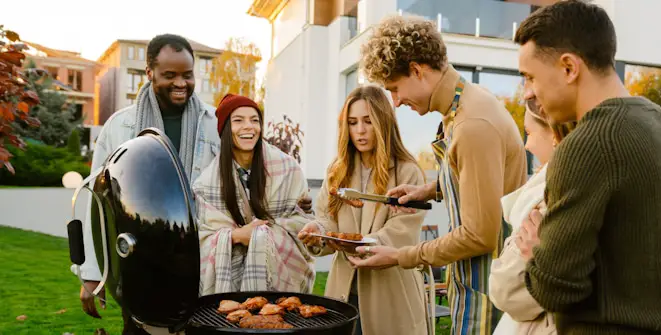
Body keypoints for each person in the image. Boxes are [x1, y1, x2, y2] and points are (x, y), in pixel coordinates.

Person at [75, 34, 311, 334]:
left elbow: (259, 166)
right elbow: (97, 206)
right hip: (139, 258)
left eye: (187, 75)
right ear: (149, 73)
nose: (180, 83)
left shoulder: (217, 124)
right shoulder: (119, 127)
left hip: (199, 260)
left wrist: (296, 199)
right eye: (169, 75)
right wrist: (94, 274)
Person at [513, 1, 661, 334]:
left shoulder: (587, 144)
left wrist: (536, 252)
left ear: (569, 68)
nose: (527, 92)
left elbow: (555, 288)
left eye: (530, 77)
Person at [347, 15, 528, 335]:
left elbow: (479, 235)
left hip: (488, 292)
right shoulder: (465, 106)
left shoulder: (472, 124)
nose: (396, 102)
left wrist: (401, 256)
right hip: (474, 282)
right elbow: (482, 179)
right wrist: (430, 190)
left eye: (395, 89)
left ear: (417, 70)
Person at [297, 85, 428, 335]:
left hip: (390, 293)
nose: (360, 130)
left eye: (368, 121)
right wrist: (318, 230)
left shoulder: (407, 171)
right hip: (343, 295)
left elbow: (402, 231)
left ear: (383, 122)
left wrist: (363, 243)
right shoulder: (337, 171)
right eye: (352, 122)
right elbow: (327, 219)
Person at [193, 93, 315, 296]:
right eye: (238, 120)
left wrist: (262, 236)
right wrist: (236, 236)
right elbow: (201, 240)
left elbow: (304, 222)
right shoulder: (205, 184)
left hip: (282, 273)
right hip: (230, 283)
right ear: (224, 130)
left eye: (254, 120)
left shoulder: (288, 170)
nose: (248, 127)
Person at [488, 100, 575, 335]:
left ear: (555, 135)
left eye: (529, 133)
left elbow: (507, 292)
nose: (527, 145)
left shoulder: (546, 200)